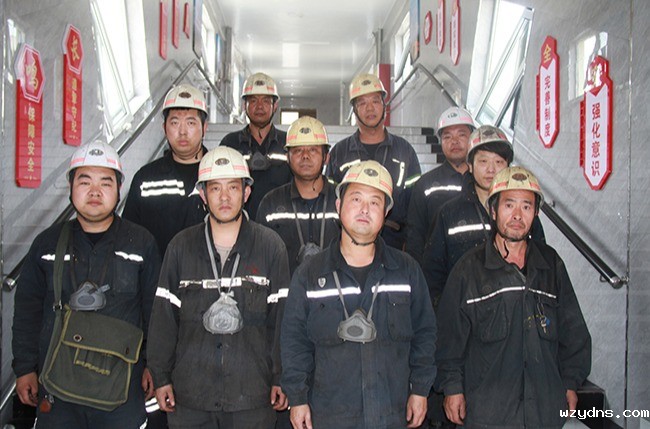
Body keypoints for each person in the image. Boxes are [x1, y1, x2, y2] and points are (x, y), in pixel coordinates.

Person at [12, 141, 161, 428]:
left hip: (122, 387)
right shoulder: (47, 244)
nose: (95, 191)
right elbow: (27, 311)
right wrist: (24, 368)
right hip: (58, 386)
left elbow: (155, 312)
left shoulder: (141, 243)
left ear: (119, 189)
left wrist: (154, 366)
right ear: (70, 187)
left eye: (105, 182)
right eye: (84, 181)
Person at [281, 160, 437, 429]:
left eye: (375, 202)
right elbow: (294, 341)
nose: (365, 209)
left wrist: (420, 389)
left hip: (392, 413)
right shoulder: (310, 274)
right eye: (356, 199)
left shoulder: (406, 271)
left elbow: (425, 333)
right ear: (338, 206)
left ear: (386, 213)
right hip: (330, 416)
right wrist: (297, 398)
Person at [435, 166, 591, 428]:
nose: (517, 215)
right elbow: (448, 338)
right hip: (488, 413)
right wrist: (452, 387)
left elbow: (573, 332)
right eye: (509, 205)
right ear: (493, 210)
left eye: (526, 206)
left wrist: (570, 382)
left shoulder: (550, 265)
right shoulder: (469, 270)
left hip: (544, 410)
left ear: (536, 213)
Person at [147, 146, 290, 429]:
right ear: (203, 194)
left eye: (233, 187)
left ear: (246, 193)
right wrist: (161, 377)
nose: (224, 197)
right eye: (215, 188)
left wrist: (281, 377)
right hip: (191, 398)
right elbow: (164, 318)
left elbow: (282, 321)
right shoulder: (180, 247)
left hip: (252, 397)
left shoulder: (271, 247)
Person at [421, 125, 545, 307]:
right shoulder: (448, 214)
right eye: (483, 161)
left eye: (499, 162)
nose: (491, 170)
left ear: (508, 167)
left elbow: (541, 267)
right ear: (470, 166)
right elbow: (432, 275)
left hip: (516, 311)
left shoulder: (523, 217)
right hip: (465, 313)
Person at [326, 73, 421, 250]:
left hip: (395, 244)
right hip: (352, 244)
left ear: (384, 106)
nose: (370, 108)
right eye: (362, 103)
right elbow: (331, 202)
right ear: (354, 110)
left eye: (375, 101)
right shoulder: (340, 152)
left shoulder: (404, 151)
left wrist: (410, 247)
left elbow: (416, 206)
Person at [123, 84, 208, 258]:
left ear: (204, 127)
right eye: (175, 122)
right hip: (158, 273)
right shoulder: (146, 180)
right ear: (164, 128)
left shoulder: (219, 175)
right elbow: (128, 235)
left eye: (191, 123)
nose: (182, 132)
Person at [256, 116, 339, 275]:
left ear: (326, 157)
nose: (305, 156)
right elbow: (261, 257)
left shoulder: (343, 200)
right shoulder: (271, 204)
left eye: (313, 150)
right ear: (287, 157)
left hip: (336, 289)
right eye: (298, 150)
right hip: (286, 289)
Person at [406, 107, 475, 262]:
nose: (454, 141)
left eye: (461, 134)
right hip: (438, 269)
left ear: (472, 138)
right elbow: (415, 235)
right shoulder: (425, 185)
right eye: (447, 136)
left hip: (479, 270)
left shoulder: (483, 181)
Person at [220, 72, 291, 220]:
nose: (259, 106)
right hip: (239, 224)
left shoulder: (288, 143)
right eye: (253, 100)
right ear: (244, 105)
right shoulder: (230, 144)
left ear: (275, 106)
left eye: (265, 101)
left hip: (280, 223)